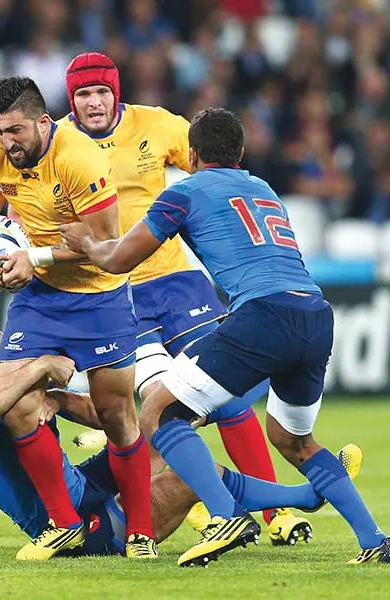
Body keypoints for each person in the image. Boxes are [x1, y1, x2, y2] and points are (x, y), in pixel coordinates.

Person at [59, 108, 390, 566]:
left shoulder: (184, 192)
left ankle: (222, 515)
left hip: (261, 314)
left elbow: (118, 261)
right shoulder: (262, 187)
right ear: (241, 153)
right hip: (315, 313)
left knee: (159, 411)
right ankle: (374, 538)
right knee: (293, 440)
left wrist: (85, 243)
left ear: (190, 155)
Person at [58, 51, 310, 545]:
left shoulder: (156, 125)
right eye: (83, 95)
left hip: (177, 281)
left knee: (228, 393)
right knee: (161, 402)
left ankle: (275, 513)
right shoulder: (59, 145)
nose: (93, 103)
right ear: (71, 100)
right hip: (113, 291)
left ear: (116, 92)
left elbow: (216, 164)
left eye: (101, 93)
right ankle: (204, 503)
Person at [0, 320, 357, 558]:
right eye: (9, 353)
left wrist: (59, 397)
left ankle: (301, 493)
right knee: (184, 480)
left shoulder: (29, 396)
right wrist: (41, 370)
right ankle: (304, 496)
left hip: (84, 486)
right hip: (80, 528)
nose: (23, 351)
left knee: (157, 428)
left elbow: (108, 418)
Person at [0, 76, 154, 560]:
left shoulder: (80, 158)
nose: (8, 142)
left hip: (100, 296)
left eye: (16, 130)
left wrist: (36, 257)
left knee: (115, 415)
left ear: (44, 121)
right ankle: (64, 524)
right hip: (40, 298)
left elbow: (107, 244)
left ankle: (142, 534)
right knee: (18, 402)